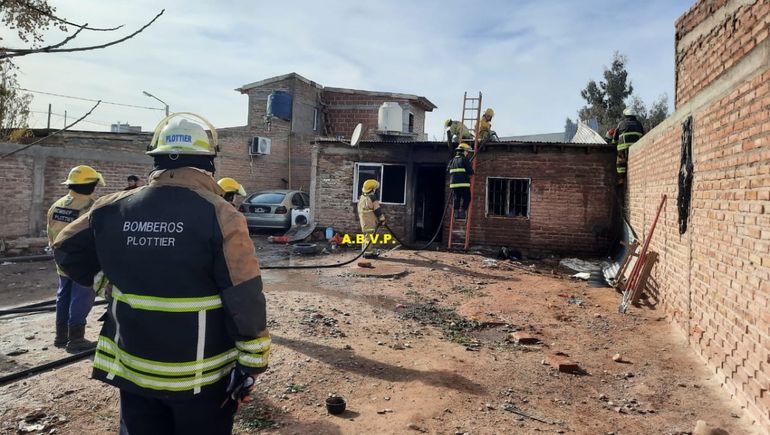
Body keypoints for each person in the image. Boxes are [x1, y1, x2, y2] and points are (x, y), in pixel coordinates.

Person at [53, 114, 270, 435]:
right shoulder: (222, 214)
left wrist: (106, 284)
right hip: (200, 376)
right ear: (209, 161)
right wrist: (253, 361)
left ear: (154, 159)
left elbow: (65, 248)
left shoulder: (109, 207)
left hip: (134, 367)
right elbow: (244, 295)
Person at [47, 165, 105, 353]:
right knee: (82, 297)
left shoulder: (56, 205)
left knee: (63, 295)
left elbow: (50, 234)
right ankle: (76, 339)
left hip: (62, 259)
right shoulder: (93, 208)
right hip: (83, 263)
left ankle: (61, 336)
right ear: (93, 185)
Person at [612, 108, 645, 183]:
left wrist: (614, 143)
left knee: (620, 164)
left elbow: (615, 137)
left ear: (626, 115)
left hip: (622, 147)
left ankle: (621, 179)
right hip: (636, 147)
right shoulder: (639, 124)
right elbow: (643, 135)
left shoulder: (621, 124)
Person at [357, 179, 385, 258]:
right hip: (370, 220)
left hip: (363, 220)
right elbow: (377, 209)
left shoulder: (362, 197)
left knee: (366, 236)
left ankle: (364, 252)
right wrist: (382, 219)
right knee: (369, 237)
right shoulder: (372, 197)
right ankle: (368, 254)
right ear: (372, 188)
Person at [448, 143, 474, 220]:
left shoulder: (452, 160)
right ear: (463, 151)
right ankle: (462, 212)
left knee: (456, 198)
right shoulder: (465, 160)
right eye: (467, 151)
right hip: (464, 184)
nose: (467, 153)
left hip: (454, 185)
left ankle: (456, 213)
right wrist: (470, 165)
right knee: (467, 198)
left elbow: (448, 169)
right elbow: (471, 172)